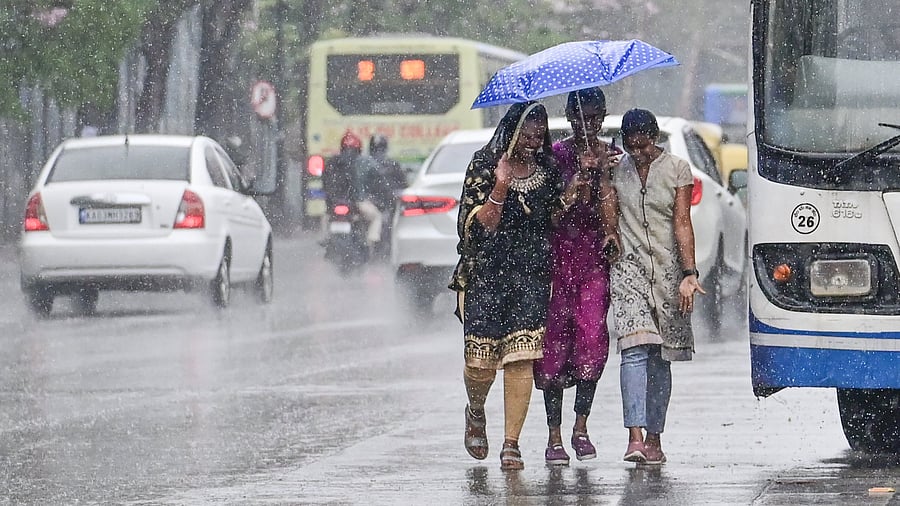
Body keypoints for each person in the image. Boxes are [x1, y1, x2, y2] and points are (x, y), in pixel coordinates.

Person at [449, 102, 584, 471]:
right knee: (480, 364)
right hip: (487, 275)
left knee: (521, 358)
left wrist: (572, 192)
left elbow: (551, 218)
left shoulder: (547, 168)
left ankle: (512, 444)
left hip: (531, 275)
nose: (534, 139)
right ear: (512, 130)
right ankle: (476, 410)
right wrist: (501, 184)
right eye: (528, 132)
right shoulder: (484, 164)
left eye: (540, 133)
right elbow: (479, 227)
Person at [609, 108, 705, 465]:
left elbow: (682, 222)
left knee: (660, 357)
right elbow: (609, 216)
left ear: (655, 138)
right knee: (634, 349)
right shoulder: (615, 170)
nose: (638, 153)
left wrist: (689, 273)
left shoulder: (678, 169)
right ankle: (634, 437)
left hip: (668, 271)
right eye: (631, 147)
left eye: (644, 146)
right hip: (629, 270)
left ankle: (654, 437)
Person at [533, 88, 621, 466]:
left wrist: (602, 176)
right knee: (553, 345)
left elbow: (611, 219)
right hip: (557, 261)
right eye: (583, 117)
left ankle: (581, 426)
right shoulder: (554, 157)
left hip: (592, 261)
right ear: (570, 118)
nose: (589, 124)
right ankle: (553, 434)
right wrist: (573, 185)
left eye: (596, 116)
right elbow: (548, 217)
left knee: (591, 337)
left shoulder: (611, 155)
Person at [322, 131, 383, 252]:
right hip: (358, 202)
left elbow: (325, 182)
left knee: (325, 218)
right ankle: (371, 242)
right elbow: (376, 181)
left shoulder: (332, 162)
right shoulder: (363, 163)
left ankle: (326, 238)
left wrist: (331, 200)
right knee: (377, 217)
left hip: (336, 202)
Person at [367, 134, 408, 252]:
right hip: (380, 201)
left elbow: (403, 185)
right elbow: (403, 184)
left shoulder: (366, 164)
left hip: (382, 201)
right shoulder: (391, 164)